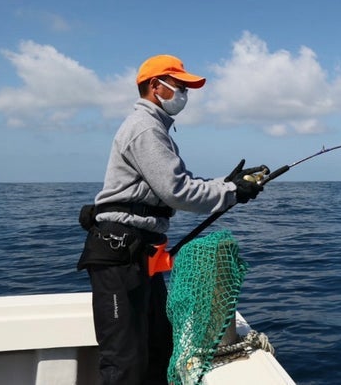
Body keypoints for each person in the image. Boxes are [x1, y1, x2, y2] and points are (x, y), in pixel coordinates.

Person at [77, 54, 264, 385]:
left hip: (139, 255)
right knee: (125, 362)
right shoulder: (145, 128)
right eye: (179, 87)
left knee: (157, 348)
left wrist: (228, 183)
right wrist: (232, 192)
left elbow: (181, 182)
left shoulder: (156, 130)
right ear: (155, 86)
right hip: (120, 256)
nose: (184, 96)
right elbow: (178, 192)